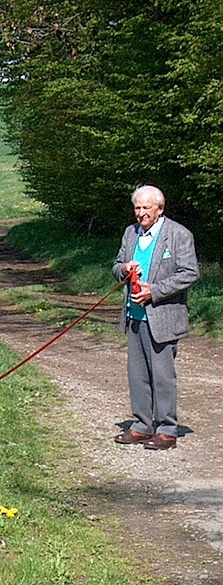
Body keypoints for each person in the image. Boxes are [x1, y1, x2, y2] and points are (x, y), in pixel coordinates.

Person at [112, 184, 199, 450]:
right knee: (137, 374)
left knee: (162, 376)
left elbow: (189, 273)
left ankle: (167, 429)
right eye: (137, 208)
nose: (140, 213)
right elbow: (116, 266)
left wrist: (155, 291)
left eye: (146, 208)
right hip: (135, 316)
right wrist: (124, 269)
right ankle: (141, 425)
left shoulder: (178, 234)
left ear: (159, 208)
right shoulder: (130, 233)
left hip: (163, 317)